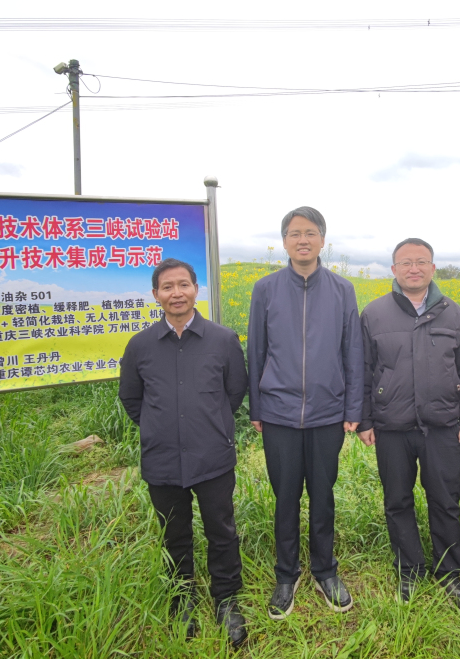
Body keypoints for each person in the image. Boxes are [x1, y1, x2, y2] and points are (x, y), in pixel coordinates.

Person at [118, 258, 249, 646]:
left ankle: (226, 599)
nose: (176, 293)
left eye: (184, 285)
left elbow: (235, 393)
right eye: (167, 287)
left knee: (221, 530)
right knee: (174, 533)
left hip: (212, 456)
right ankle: (182, 598)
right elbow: (132, 399)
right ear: (155, 295)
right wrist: (161, 428)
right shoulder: (140, 345)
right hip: (162, 459)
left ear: (196, 289)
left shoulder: (223, 340)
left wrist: (206, 424)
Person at [247, 206, 364, 619]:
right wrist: (257, 407)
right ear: (284, 241)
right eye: (295, 233)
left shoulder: (342, 289)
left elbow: (352, 351)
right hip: (278, 412)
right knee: (285, 496)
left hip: (327, 411)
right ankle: (286, 574)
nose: (303, 240)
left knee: (322, 494)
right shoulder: (265, 289)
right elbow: (256, 350)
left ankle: (325, 570)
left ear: (322, 240)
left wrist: (352, 406)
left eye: (310, 233)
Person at [356, 238, 460, 613]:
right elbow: (362, 371)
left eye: (421, 262)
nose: (414, 269)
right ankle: (409, 570)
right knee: (397, 500)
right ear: (394, 270)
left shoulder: (452, 312)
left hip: (442, 425)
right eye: (406, 263)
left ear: (432, 267)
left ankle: (449, 573)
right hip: (391, 426)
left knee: (445, 500)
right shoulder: (374, 313)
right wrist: (365, 419)